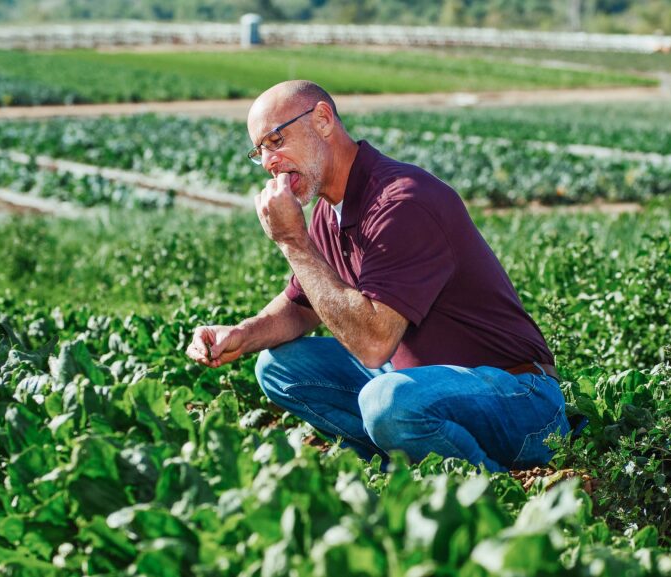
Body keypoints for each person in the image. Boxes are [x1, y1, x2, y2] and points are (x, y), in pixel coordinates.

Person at [186, 80, 568, 471]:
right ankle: (398, 466)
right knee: (279, 367)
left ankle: (490, 488)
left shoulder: (402, 202)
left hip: (518, 399)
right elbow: (301, 308)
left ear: (321, 120)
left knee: (386, 402)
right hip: (421, 389)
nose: (269, 162)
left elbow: (373, 345)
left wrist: (292, 243)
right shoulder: (327, 212)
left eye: (276, 140)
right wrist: (239, 333)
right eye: (259, 151)